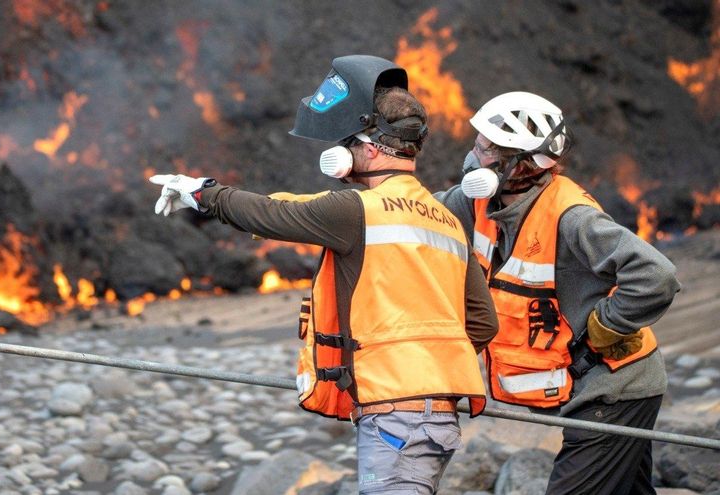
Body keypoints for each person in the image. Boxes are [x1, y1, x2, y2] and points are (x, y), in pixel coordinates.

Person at [150, 55, 498, 494]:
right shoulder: (446, 221)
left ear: (370, 147)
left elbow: (277, 214)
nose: (341, 153)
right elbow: (483, 323)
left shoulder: (356, 209)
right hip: (440, 414)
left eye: (348, 143)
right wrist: (429, 364)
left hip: (395, 414)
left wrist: (204, 193)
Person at [436, 91, 681, 495]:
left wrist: (606, 325)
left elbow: (657, 275)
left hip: (614, 389)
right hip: (588, 389)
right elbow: (419, 217)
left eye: (482, 148)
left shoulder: (572, 217)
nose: (470, 157)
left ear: (517, 164)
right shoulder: (477, 202)